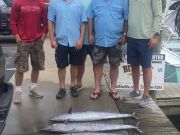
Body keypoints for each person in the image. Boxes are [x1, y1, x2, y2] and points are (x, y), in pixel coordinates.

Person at [88, 0, 128, 100]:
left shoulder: (123, 1)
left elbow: (126, 19)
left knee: (114, 65)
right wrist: (90, 33)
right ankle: (97, 88)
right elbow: (90, 17)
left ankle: (113, 88)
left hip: (116, 39)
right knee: (98, 64)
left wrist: (124, 34)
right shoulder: (94, 1)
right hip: (99, 39)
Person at [10, 0, 48, 104]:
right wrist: (18, 37)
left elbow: (45, 22)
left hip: (37, 41)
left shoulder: (41, 4)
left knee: (36, 66)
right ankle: (17, 92)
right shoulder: (18, 3)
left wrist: (43, 36)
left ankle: (33, 89)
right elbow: (13, 21)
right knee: (20, 68)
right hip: (23, 41)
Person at [126, 0, 162, 107]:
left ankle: (146, 95)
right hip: (131, 35)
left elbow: (158, 14)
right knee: (134, 65)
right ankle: (136, 90)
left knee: (146, 67)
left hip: (146, 37)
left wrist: (155, 35)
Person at [48, 0, 86, 99]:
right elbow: (50, 21)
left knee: (75, 65)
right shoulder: (54, 3)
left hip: (75, 41)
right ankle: (62, 88)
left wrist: (81, 39)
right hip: (61, 41)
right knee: (61, 66)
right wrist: (52, 39)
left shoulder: (79, 4)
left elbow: (83, 23)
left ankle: (73, 86)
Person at [76, 0, 92, 90]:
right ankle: (78, 82)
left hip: (94, 39)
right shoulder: (75, 1)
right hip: (80, 39)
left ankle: (98, 85)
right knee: (80, 63)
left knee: (97, 64)